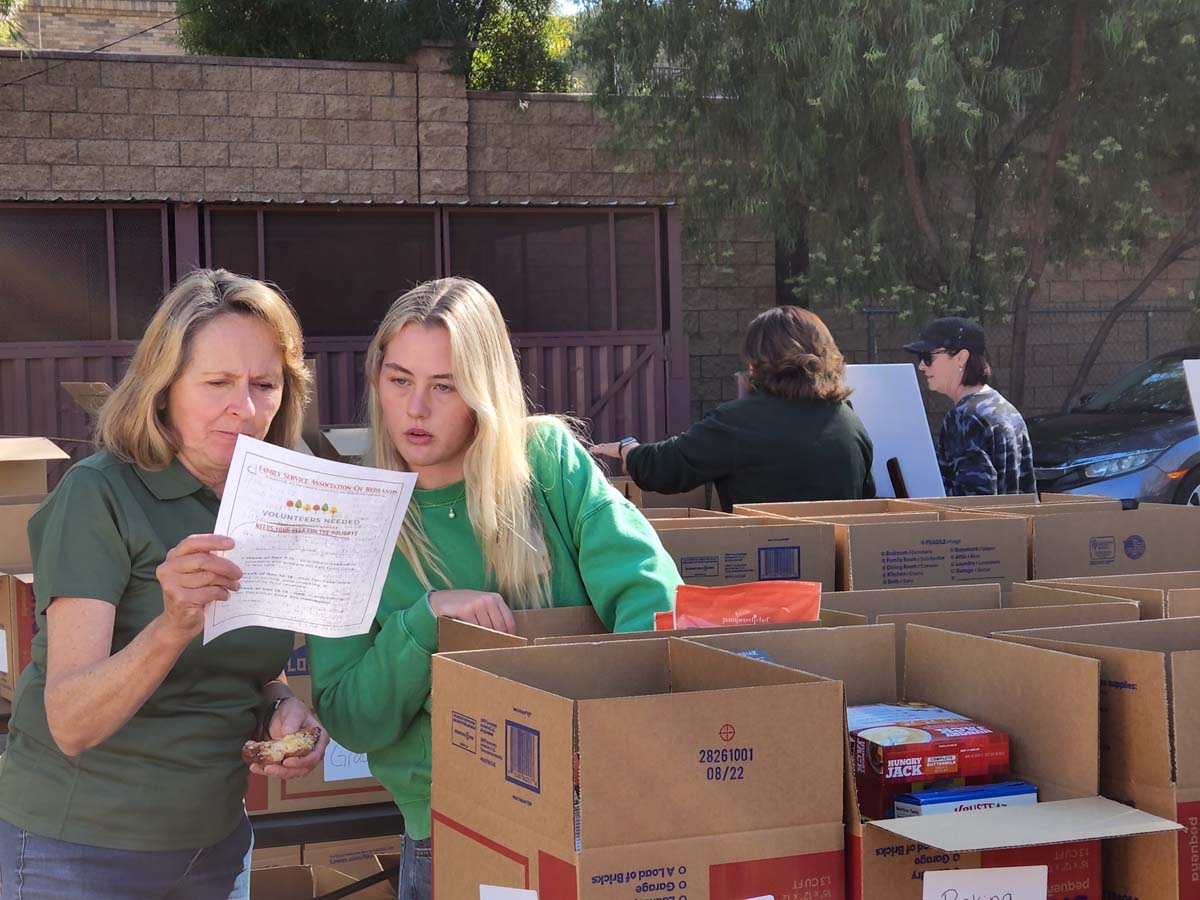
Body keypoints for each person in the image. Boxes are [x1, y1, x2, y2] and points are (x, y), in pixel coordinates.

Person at [307, 277, 681, 900]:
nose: (416, 409)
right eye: (400, 381)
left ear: (484, 389)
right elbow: (351, 718)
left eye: (444, 386)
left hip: (593, 812)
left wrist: (607, 741)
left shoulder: (548, 463)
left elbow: (653, 598)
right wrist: (425, 624)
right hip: (449, 832)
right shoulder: (350, 514)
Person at [0, 269, 330, 900]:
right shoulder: (100, 495)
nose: (247, 406)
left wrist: (281, 707)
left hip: (215, 845)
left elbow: (240, 664)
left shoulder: (275, 498)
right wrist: (174, 622)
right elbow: (71, 720)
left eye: (265, 384)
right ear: (163, 388)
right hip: (78, 852)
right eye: (217, 383)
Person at [591, 305, 875, 511]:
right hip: (837, 584)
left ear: (756, 362)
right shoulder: (850, 423)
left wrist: (629, 450)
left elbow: (667, 467)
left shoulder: (738, 422)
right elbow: (867, 501)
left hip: (764, 577)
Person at [904, 316, 1035, 496]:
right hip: (1017, 523)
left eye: (928, 357)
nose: (921, 366)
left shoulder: (964, 418)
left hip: (987, 524)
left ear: (961, 357)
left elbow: (970, 504)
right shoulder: (1007, 410)